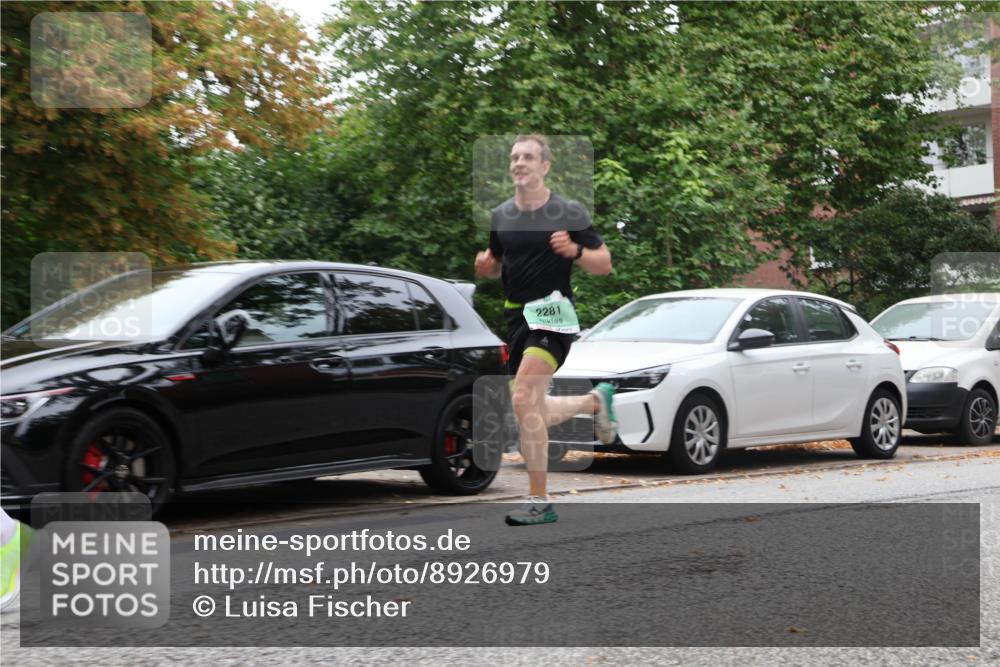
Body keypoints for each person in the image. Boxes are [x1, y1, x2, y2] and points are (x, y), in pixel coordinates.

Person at [475, 134, 617, 526]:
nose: (519, 163)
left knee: (522, 397)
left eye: (528, 157)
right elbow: (501, 264)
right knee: (530, 409)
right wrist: (488, 268)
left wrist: (575, 251)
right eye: (514, 157)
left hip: (553, 316)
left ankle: (539, 501)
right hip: (516, 318)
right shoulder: (501, 216)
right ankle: (593, 403)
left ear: (545, 166)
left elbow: (603, 263)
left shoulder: (567, 211)